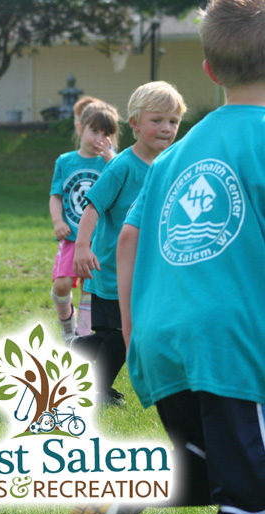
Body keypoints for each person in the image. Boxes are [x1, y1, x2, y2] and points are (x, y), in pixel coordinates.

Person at [113, 0, 265, 514]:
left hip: (164, 345)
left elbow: (128, 240)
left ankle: (122, 495)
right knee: (254, 503)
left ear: (208, 70)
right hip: (236, 350)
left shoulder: (173, 156)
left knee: (208, 464)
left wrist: (134, 337)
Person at [71, 81, 187, 408]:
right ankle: (99, 388)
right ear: (135, 124)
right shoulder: (122, 164)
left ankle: (82, 348)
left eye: (173, 121)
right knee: (122, 335)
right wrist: (82, 247)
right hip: (110, 267)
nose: (166, 128)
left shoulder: (170, 164)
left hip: (149, 266)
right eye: (157, 120)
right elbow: (93, 205)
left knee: (121, 331)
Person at [50, 102, 119, 343]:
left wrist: (112, 159)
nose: (100, 138)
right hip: (71, 238)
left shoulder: (113, 163)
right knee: (62, 285)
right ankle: (66, 321)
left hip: (99, 241)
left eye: (107, 134)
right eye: (95, 131)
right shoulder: (65, 161)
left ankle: (80, 337)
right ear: (80, 128)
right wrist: (58, 221)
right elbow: (56, 195)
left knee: (89, 290)